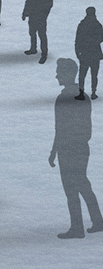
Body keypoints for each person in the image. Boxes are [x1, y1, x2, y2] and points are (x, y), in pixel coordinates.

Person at [51, 57, 103, 238]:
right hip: (81, 147)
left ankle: (77, 227)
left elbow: (60, 128)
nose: (56, 76)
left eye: (59, 72)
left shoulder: (62, 98)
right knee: (83, 184)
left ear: (67, 74)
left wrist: (54, 151)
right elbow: (85, 127)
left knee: (72, 188)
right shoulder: (83, 96)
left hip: (68, 149)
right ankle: (97, 221)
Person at [24, 0, 55, 64]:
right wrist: (25, 13)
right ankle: (33, 49)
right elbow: (28, 1)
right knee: (32, 33)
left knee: (42, 34)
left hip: (40, 16)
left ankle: (44, 53)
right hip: (32, 15)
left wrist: (43, 14)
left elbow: (49, 4)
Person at [77, 7, 103, 99]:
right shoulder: (98, 25)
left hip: (84, 53)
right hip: (95, 54)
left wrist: (78, 53)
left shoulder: (82, 24)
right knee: (94, 75)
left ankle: (81, 93)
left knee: (82, 75)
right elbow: (101, 38)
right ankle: (93, 93)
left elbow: (77, 40)